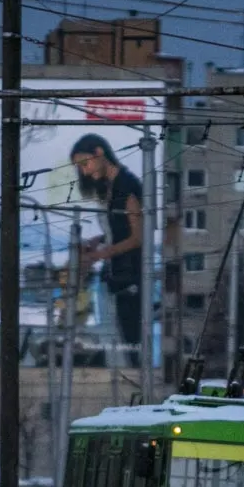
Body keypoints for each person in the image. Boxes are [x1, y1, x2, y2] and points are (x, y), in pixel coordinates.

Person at [69, 133, 145, 349]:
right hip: (116, 274)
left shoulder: (127, 186)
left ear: (99, 153)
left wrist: (98, 255)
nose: (85, 171)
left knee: (128, 341)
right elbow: (119, 228)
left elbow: (137, 238)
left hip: (130, 277)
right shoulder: (108, 187)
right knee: (117, 336)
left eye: (85, 163)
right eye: (80, 167)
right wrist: (98, 240)